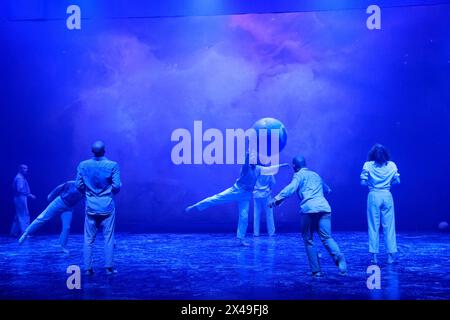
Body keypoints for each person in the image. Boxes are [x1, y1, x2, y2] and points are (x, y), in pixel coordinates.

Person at [186, 151, 288, 246]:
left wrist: (282, 166)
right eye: (251, 158)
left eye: (254, 158)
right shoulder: (245, 168)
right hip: (236, 190)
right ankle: (195, 206)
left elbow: (270, 169)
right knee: (216, 199)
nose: (252, 160)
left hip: (246, 195)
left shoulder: (259, 169)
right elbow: (246, 160)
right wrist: (249, 151)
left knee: (244, 216)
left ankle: (241, 239)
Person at [270, 156, 347, 277]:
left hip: (309, 209)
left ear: (294, 166)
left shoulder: (298, 175)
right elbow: (327, 189)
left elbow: (291, 188)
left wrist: (276, 199)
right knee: (327, 237)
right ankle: (338, 257)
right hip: (324, 208)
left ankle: (316, 271)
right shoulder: (315, 174)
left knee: (308, 239)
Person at [76, 141, 121, 275]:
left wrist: (89, 193)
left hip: (91, 206)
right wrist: (108, 192)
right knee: (108, 237)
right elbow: (117, 186)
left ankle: (88, 269)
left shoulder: (83, 165)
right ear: (104, 151)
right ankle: (109, 268)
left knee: (88, 239)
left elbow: (78, 185)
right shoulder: (112, 165)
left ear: (92, 151)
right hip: (107, 205)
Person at [360, 144, 400, 265]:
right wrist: (387, 182)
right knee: (389, 226)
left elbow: (362, 183)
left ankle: (374, 257)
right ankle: (390, 256)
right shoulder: (392, 165)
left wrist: (370, 182)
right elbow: (398, 181)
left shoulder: (368, 165)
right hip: (387, 195)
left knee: (373, 226)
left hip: (373, 195)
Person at [18, 180, 83, 254]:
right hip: (59, 202)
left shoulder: (85, 190)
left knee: (66, 227)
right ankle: (26, 234)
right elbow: (59, 188)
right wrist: (51, 195)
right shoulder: (72, 183)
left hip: (69, 208)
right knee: (43, 218)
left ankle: (62, 246)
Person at [10, 164, 36, 236]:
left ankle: (13, 232)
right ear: (20, 169)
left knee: (18, 215)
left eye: (26, 168)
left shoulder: (21, 177)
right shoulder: (19, 178)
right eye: (24, 168)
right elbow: (19, 189)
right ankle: (25, 233)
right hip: (20, 197)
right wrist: (29, 194)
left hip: (20, 197)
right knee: (24, 215)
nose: (26, 170)